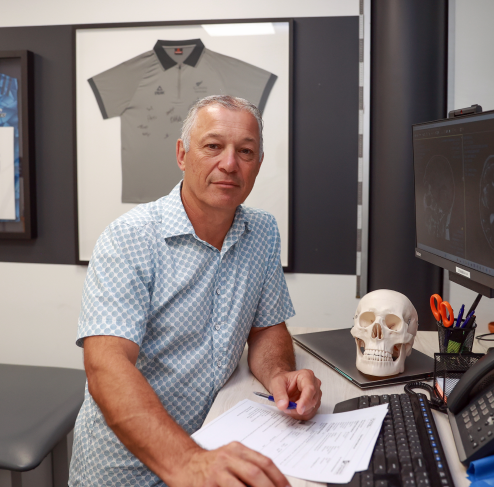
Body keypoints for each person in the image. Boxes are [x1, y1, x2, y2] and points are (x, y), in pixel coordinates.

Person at [69, 95, 323, 486]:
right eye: (213, 146)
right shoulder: (129, 238)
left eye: (246, 151)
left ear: (257, 164)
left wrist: (280, 376)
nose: (229, 164)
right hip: (127, 467)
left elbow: (265, 328)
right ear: (182, 154)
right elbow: (106, 367)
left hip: (214, 447)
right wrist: (187, 463)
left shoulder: (263, 233)